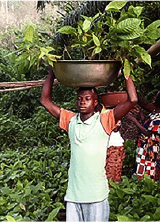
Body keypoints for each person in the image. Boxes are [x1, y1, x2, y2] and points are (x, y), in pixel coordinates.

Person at [40, 67, 137, 221]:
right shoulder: (70, 120)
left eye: (87, 98)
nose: (82, 102)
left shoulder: (104, 120)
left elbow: (132, 100)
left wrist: (126, 70)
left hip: (97, 196)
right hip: (73, 196)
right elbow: (45, 101)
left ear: (95, 101)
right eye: (79, 99)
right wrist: (52, 72)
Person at [126, 89, 160, 180]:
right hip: (144, 147)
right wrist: (140, 113)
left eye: (156, 96)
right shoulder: (155, 114)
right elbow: (147, 126)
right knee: (141, 167)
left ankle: (144, 188)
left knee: (146, 170)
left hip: (149, 150)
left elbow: (147, 132)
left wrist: (133, 120)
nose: (154, 98)